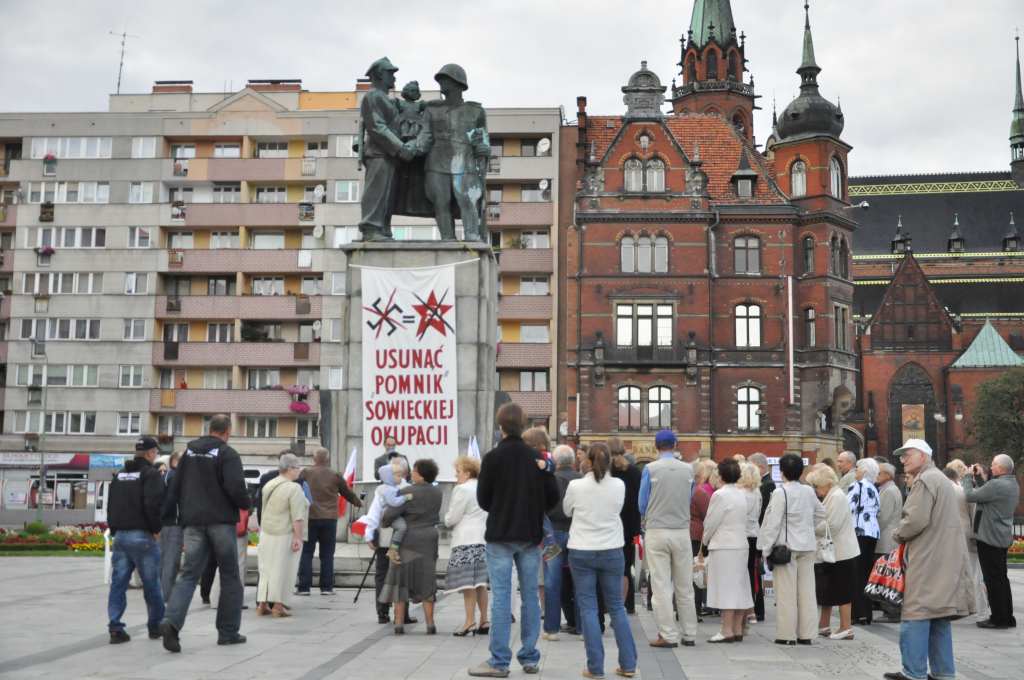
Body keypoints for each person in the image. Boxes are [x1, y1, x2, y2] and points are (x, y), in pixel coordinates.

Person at [469, 402, 559, 678]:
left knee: (501, 597)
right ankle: (529, 656)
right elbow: (553, 497)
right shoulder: (537, 458)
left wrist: (501, 507)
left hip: (500, 534)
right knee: (530, 595)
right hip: (530, 535)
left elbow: (483, 499)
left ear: (501, 426)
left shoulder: (492, 457)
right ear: (523, 425)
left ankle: (499, 661)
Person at [160, 414, 251, 653]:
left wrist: (167, 517)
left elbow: (175, 486)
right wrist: (246, 504)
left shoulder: (189, 453)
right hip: (221, 522)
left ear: (210, 429)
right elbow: (235, 487)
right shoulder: (227, 454)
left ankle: (171, 622)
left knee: (189, 574)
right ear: (227, 431)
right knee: (230, 576)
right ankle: (228, 632)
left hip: (192, 522)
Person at [883, 439, 970, 680]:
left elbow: (915, 520)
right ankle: (943, 672)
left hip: (928, 557)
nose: (903, 460)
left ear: (922, 456)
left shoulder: (924, 480)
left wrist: (897, 534)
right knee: (939, 615)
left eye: (907, 454)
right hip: (943, 555)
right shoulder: (939, 478)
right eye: (901, 456)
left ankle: (913, 672)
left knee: (916, 613)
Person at [563, 442, 638, 678]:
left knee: (588, 607)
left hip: (582, 548)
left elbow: (566, 511)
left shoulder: (576, 485)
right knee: (616, 607)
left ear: (587, 460)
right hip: (611, 548)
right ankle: (628, 664)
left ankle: (595, 667)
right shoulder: (619, 485)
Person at [638, 429, 698, 649]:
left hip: (657, 529)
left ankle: (668, 634)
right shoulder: (688, 469)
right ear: (675, 445)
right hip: (681, 530)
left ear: (656, 446)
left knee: (661, 585)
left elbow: (642, 504)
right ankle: (689, 633)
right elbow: (689, 496)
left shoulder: (650, 469)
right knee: (685, 585)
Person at [757, 453, 825, 645]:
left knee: (786, 593)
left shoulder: (781, 492)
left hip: (785, 548)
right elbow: (822, 513)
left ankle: (786, 635)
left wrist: (765, 549)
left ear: (782, 471)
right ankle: (807, 634)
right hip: (807, 546)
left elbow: (773, 523)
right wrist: (808, 527)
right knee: (807, 592)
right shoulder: (808, 491)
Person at [106, 436, 166, 644]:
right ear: (150, 453)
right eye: (155, 452)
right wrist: (156, 529)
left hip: (121, 536)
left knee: (118, 584)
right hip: (142, 536)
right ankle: (155, 626)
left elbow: (111, 504)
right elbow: (153, 504)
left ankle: (115, 627)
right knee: (151, 584)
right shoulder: (151, 474)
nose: (156, 456)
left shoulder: (121, 474)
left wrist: (114, 529)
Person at [424, 64, 490, 241]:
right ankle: (447, 239)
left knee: (467, 200)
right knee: (441, 202)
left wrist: (484, 148)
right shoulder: (431, 109)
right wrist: (406, 149)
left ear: (457, 83)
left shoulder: (475, 111)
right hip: (436, 163)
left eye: (444, 79)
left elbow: (482, 139)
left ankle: (472, 236)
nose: (441, 83)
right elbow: (425, 136)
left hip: (464, 163)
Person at [380, 458, 444, 635]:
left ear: (421, 474)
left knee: (401, 581)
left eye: (414, 471)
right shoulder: (437, 492)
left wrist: (386, 521)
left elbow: (389, 515)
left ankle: (399, 624)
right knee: (427, 579)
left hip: (408, 540)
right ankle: (430, 624)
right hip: (429, 538)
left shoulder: (407, 491)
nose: (411, 473)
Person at [358, 57, 416, 241]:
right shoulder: (372, 96)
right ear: (380, 75)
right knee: (376, 192)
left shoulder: (386, 99)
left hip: (389, 155)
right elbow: (377, 127)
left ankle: (382, 229)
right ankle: (371, 229)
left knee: (387, 195)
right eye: (390, 73)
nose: (394, 77)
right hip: (379, 153)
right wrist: (400, 147)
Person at [702, 458, 755, 643]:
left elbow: (711, 522)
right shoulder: (742, 494)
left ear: (721, 475)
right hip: (740, 544)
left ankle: (726, 630)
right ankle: (737, 628)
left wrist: (704, 541)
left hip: (724, 545)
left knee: (725, 588)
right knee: (740, 586)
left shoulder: (720, 495)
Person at [964, 454, 1020, 629]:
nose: (991, 467)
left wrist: (967, 477)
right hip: (1001, 537)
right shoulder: (1012, 483)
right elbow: (986, 494)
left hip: (989, 538)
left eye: (994, 464)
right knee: (1001, 578)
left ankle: (998, 619)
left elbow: (970, 495)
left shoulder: (996, 485)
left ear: (1001, 468)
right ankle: (1007, 617)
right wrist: (980, 479)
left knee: (992, 580)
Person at [296, 448, 362, 596]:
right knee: (327, 554)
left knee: (306, 553)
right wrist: (358, 502)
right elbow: (347, 493)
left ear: (314, 459)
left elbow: (296, 490)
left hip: (310, 517)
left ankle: (304, 588)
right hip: (329, 519)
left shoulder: (305, 473)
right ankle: (326, 588)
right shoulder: (335, 475)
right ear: (328, 459)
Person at [806, 464, 859, 641]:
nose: (816, 490)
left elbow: (832, 525)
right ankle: (824, 624)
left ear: (826, 483)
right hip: (834, 551)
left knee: (843, 590)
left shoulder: (836, 496)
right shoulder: (831, 495)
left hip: (842, 551)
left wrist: (811, 527)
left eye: (817, 486)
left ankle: (846, 627)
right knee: (827, 589)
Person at [362, 458, 415, 625]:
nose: (400, 475)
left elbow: (374, 513)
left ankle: (384, 612)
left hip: (389, 538)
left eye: (400, 472)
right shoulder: (400, 489)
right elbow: (374, 513)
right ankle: (400, 613)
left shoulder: (391, 489)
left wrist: (369, 534)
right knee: (398, 575)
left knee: (383, 575)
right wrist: (369, 534)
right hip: (399, 539)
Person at [255, 454, 307, 617]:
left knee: (265, 570)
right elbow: (297, 517)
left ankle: (262, 604)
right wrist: (298, 537)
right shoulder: (294, 488)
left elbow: (263, 508)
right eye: (297, 467)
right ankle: (278, 606)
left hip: (267, 533)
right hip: (284, 534)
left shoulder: (269, 484)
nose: (299, 471)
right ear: (290, 469)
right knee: (283, 569)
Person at [444, 455, 489, 636]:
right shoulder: (484, 486)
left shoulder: (462, 489)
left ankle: (469, 621)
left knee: (467, 584)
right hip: (483, 540)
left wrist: (446, 519)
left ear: (468, 473)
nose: (456, 475)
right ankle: (484, 620)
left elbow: (452, 517)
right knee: (480, 583)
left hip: (466, 540)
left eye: (458, 472)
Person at [544, 445, 581, 640]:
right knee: (580, 580)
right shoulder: (582, 479)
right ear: (573, 461)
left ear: (555, 461)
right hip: (577, 533)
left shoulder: (550, 479)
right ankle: (582, 627)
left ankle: (552, 629)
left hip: (553, 534)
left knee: (552, 580)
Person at [609, 437, 642, 615]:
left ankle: (610, 603)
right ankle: (628, 604)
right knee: (627, 566)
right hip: (631, 527)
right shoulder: (635, 472)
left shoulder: (606, 472)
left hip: (610, 526)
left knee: (608, 567)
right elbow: (639, 502)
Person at [848, 458, 880, 625]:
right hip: (872, 531)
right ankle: (866, 613)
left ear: (865, 471)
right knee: (866, 573)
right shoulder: (874, 487)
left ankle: (857, 613)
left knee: (856, 573)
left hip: (859, 531)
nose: (856, 470)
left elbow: (848, 507)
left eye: (858, 468)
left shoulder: (858, 485)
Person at [875, 462, 905, 622]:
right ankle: (889, 610)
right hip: (888, 539)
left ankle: (891, 611)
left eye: (879, 473)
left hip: (886, 540)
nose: (876, 476)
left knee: (887, 577)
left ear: (887, 475)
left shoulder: (889, 491)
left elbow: (883, 518)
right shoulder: (888, 489)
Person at [736, 462, 763, 629]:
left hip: (743, 535)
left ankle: (746, 609)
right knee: (751, 573)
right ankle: (751, 609)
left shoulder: (740, 494)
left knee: (741, 574)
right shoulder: (757, 493)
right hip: (754, 535)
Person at [690, 459, 715, 619]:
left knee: (685, 573)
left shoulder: (685, 489)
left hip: (685, 533)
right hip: (697, 534)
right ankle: (695, 608)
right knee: (697, 571)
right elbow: (708, 514)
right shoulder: (699, 492)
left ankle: (681, 607)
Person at [159, 451, 182, 602]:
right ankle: (165, 596)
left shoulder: (165, 476)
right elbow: (173, 500)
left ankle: (159, 594)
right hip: (174, 523)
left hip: (163, 524)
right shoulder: (176, 477)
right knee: (171, 562)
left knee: (162, 560)